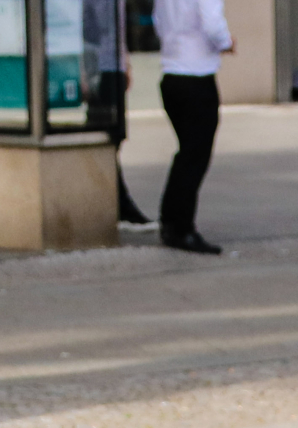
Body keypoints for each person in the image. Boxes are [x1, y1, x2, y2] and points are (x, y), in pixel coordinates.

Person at [153, 0, 234, 254]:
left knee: (186, 153)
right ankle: (181, 227)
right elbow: (212, 24)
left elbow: (158, 22)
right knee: (195, 155)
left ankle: (171, 221)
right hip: (197, 75)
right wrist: (227, 42)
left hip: (172, 74)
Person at [85, 0, 154, 227]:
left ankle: (118, 204)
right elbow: (91, 28)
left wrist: (126, 63)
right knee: (107, 136)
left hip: (113, 65)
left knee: (114, 136)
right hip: (101, 67)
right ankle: (119, 205)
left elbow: (118, 29)